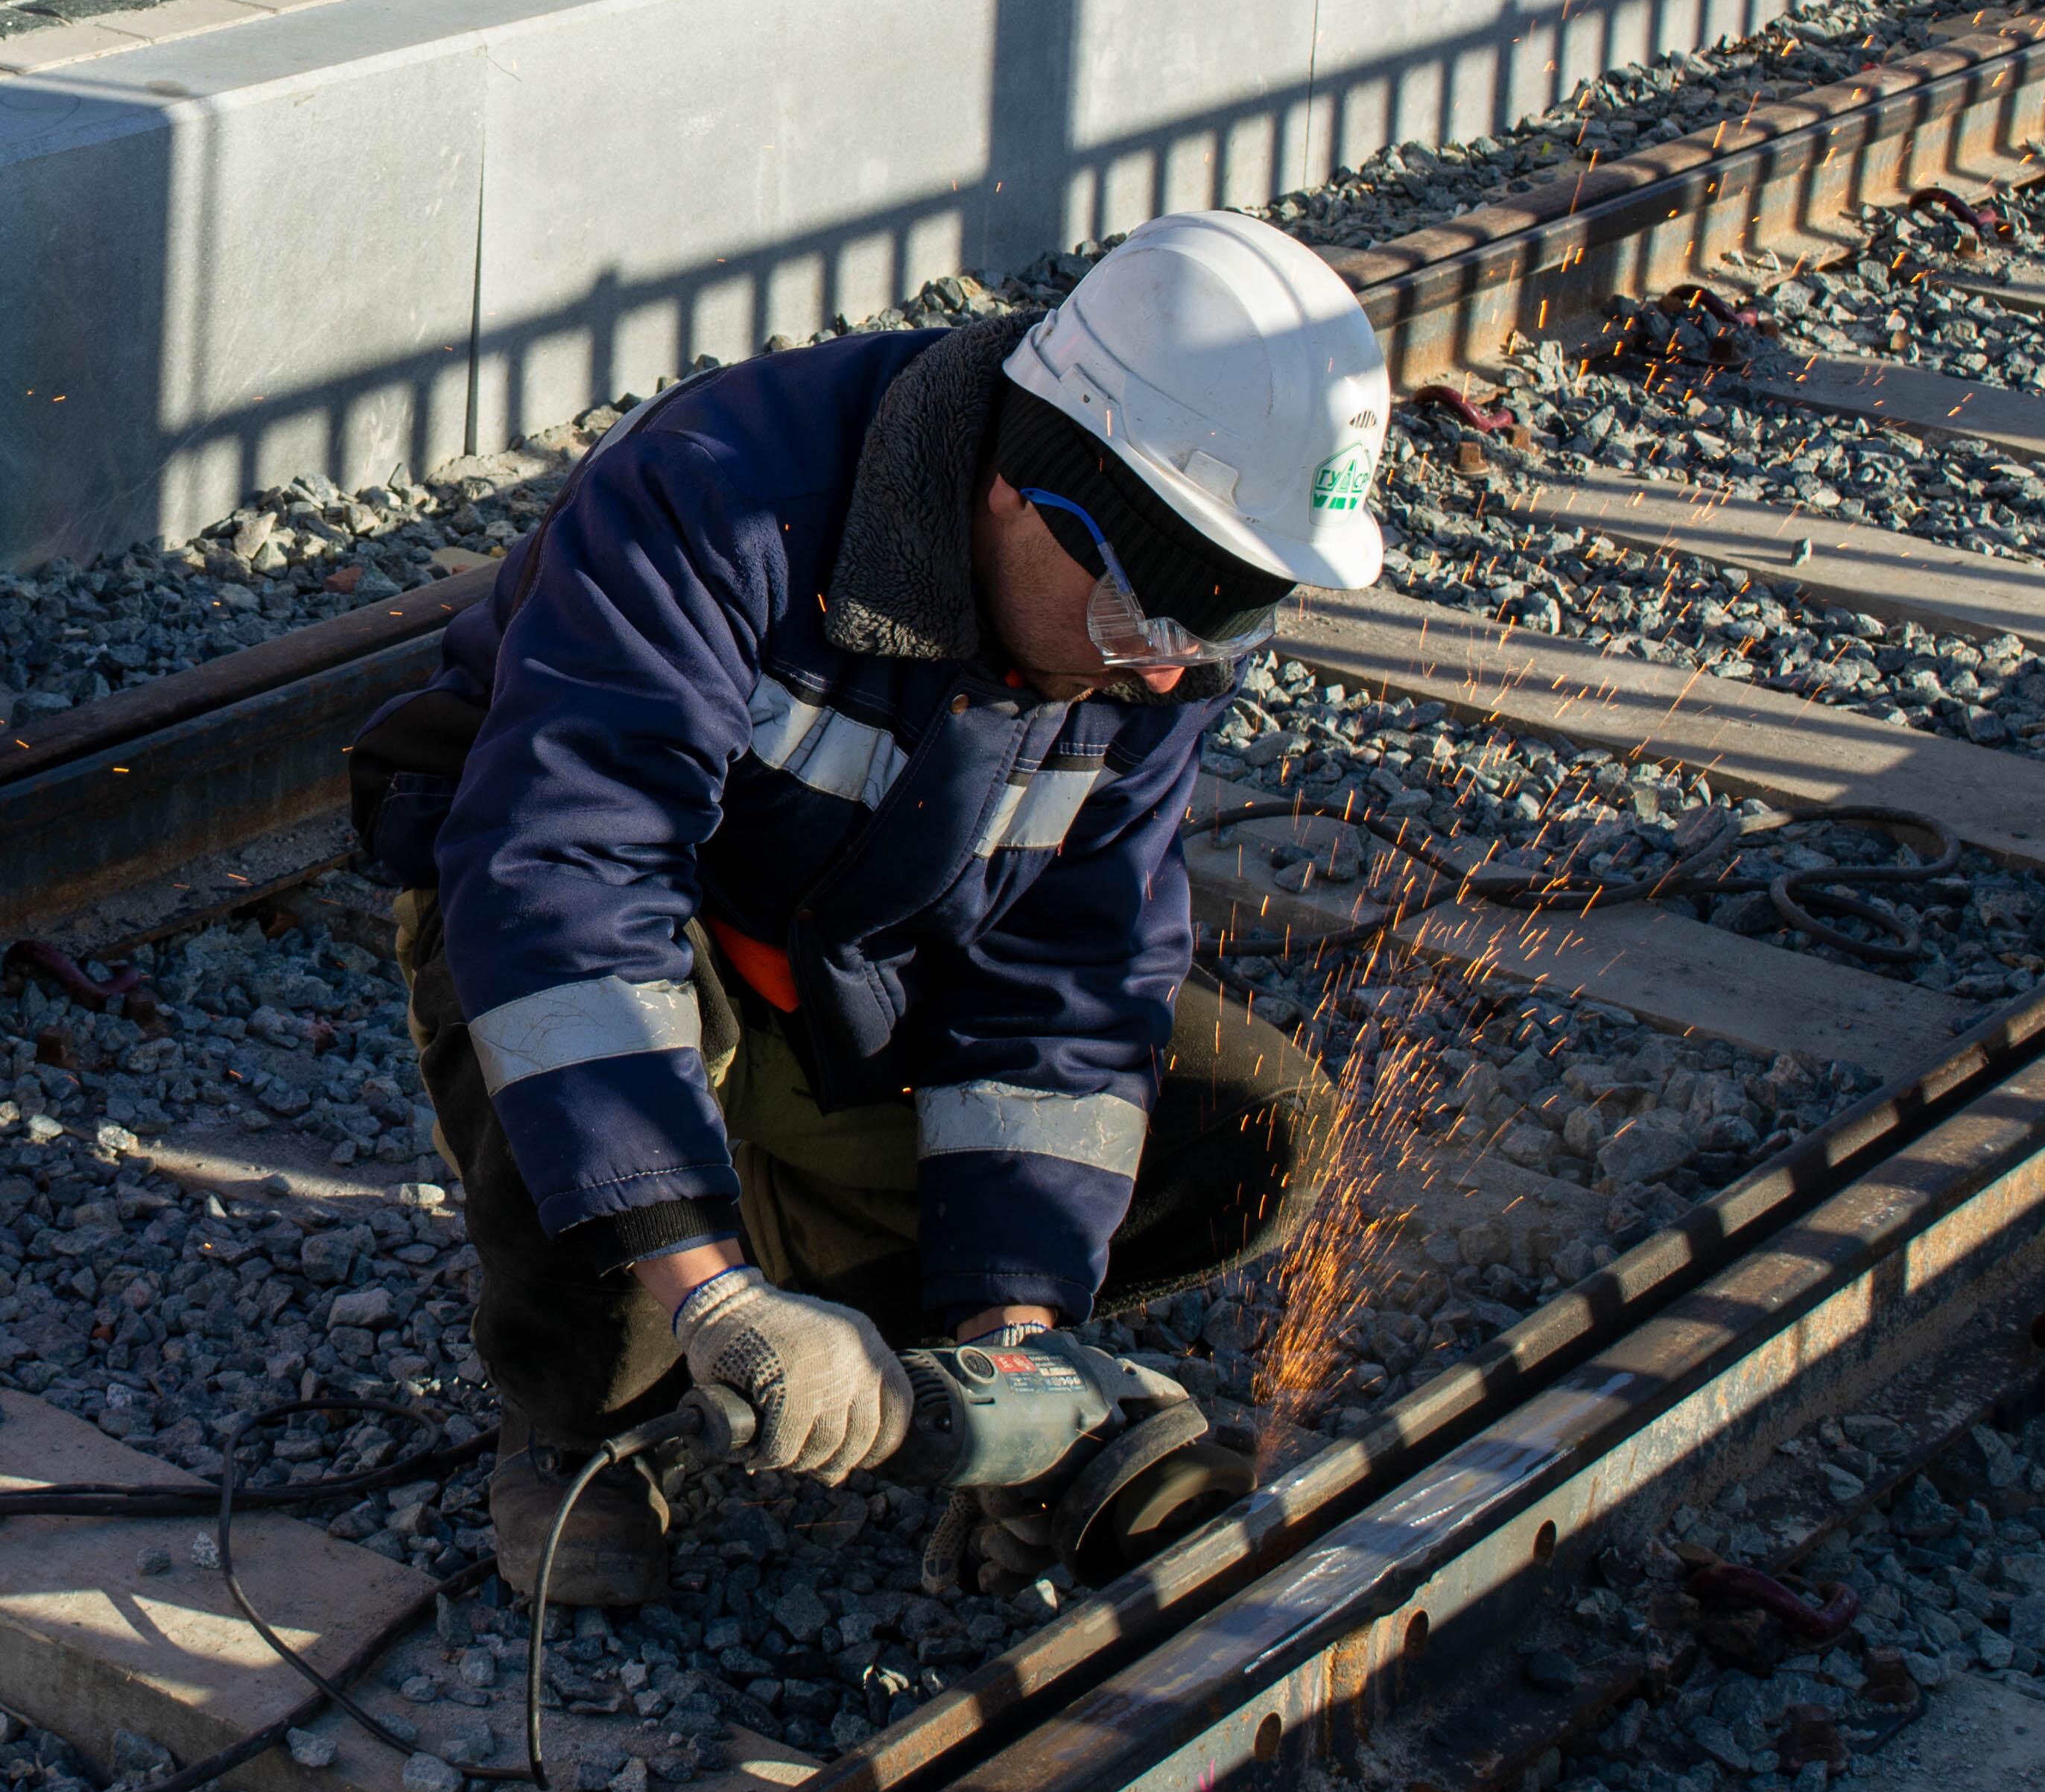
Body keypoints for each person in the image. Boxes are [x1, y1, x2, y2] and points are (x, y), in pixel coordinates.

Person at [353, 211, 1391, 1602]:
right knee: (596, 1069)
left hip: (860, 949)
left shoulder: (1153, 651)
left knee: (1246, 1128)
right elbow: (567, 894)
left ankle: (856, 1331)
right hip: (579, 911)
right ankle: (580, 1419)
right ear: (1027, 489)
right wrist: (708, 1293)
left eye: (1227, 625)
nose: (1168, 674)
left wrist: (1008, 1342)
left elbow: (1068, 992)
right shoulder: (721, 498)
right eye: (1152, 617)